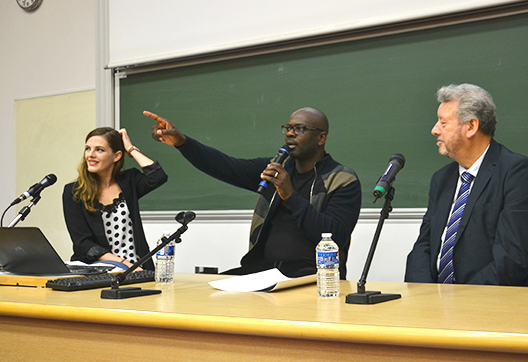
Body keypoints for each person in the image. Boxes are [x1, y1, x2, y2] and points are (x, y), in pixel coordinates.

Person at [144, 108, 361, 278]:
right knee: (207, 295)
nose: (290, 134)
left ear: (321, 138)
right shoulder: (274, 169)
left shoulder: (342, 179)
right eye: (288, 128)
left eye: (300, 129)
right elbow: (225, 166)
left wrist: (290, 195)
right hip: (262, 271)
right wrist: (182, 143)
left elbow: (336, 235)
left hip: (310, 276)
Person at [405, 84, 528, 286]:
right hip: (437, 307)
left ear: (471, 127)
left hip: (496, 307)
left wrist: (458, 300)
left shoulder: (519, 174)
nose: (434, 130)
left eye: (443, 123)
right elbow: (424, 247)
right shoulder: (441, 179)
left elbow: (513, 260)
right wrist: (423, 296)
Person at [63, 127, 168, 270]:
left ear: (116, 156)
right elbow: (83, 244)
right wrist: (124, 265)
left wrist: (130, 149)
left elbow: (158, 176)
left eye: (99, 150)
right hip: (98, 270)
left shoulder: (129, 181)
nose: (90, 155)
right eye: (88, 149)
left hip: (139, 269)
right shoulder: (74, 192)